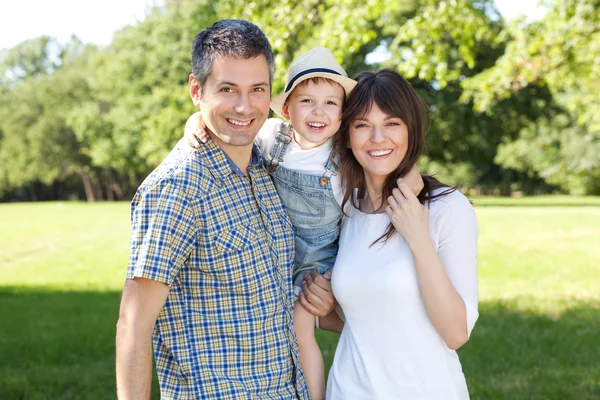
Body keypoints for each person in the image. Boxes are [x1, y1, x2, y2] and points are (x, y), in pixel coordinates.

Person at [184, 47, 424, 399]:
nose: (318, 112)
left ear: (343, 114)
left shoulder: (344, 157)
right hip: (271, 254)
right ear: (286, 109)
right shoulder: (269, 136)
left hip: (316, 264)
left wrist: (412, 181)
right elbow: (220, 127)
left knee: (300, 329)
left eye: (331, 103)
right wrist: (195, 123)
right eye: (307, 101)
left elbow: (394, 169)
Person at [115, 20, 335, 400]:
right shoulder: (177, 187)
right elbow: (133, 325)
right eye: (227, 89)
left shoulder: (267, 168)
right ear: (196, 90)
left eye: (257, 90)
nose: (244, 106)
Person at [323, 69, 479, 399]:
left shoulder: (447, 209)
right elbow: (366, 318)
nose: (378, 138)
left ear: (411, 129)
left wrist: (417, 236)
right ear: (347, 135)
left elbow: (455, 333)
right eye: (363, 125)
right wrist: (321, 307)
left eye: (392, 123)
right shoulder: (345, 207)